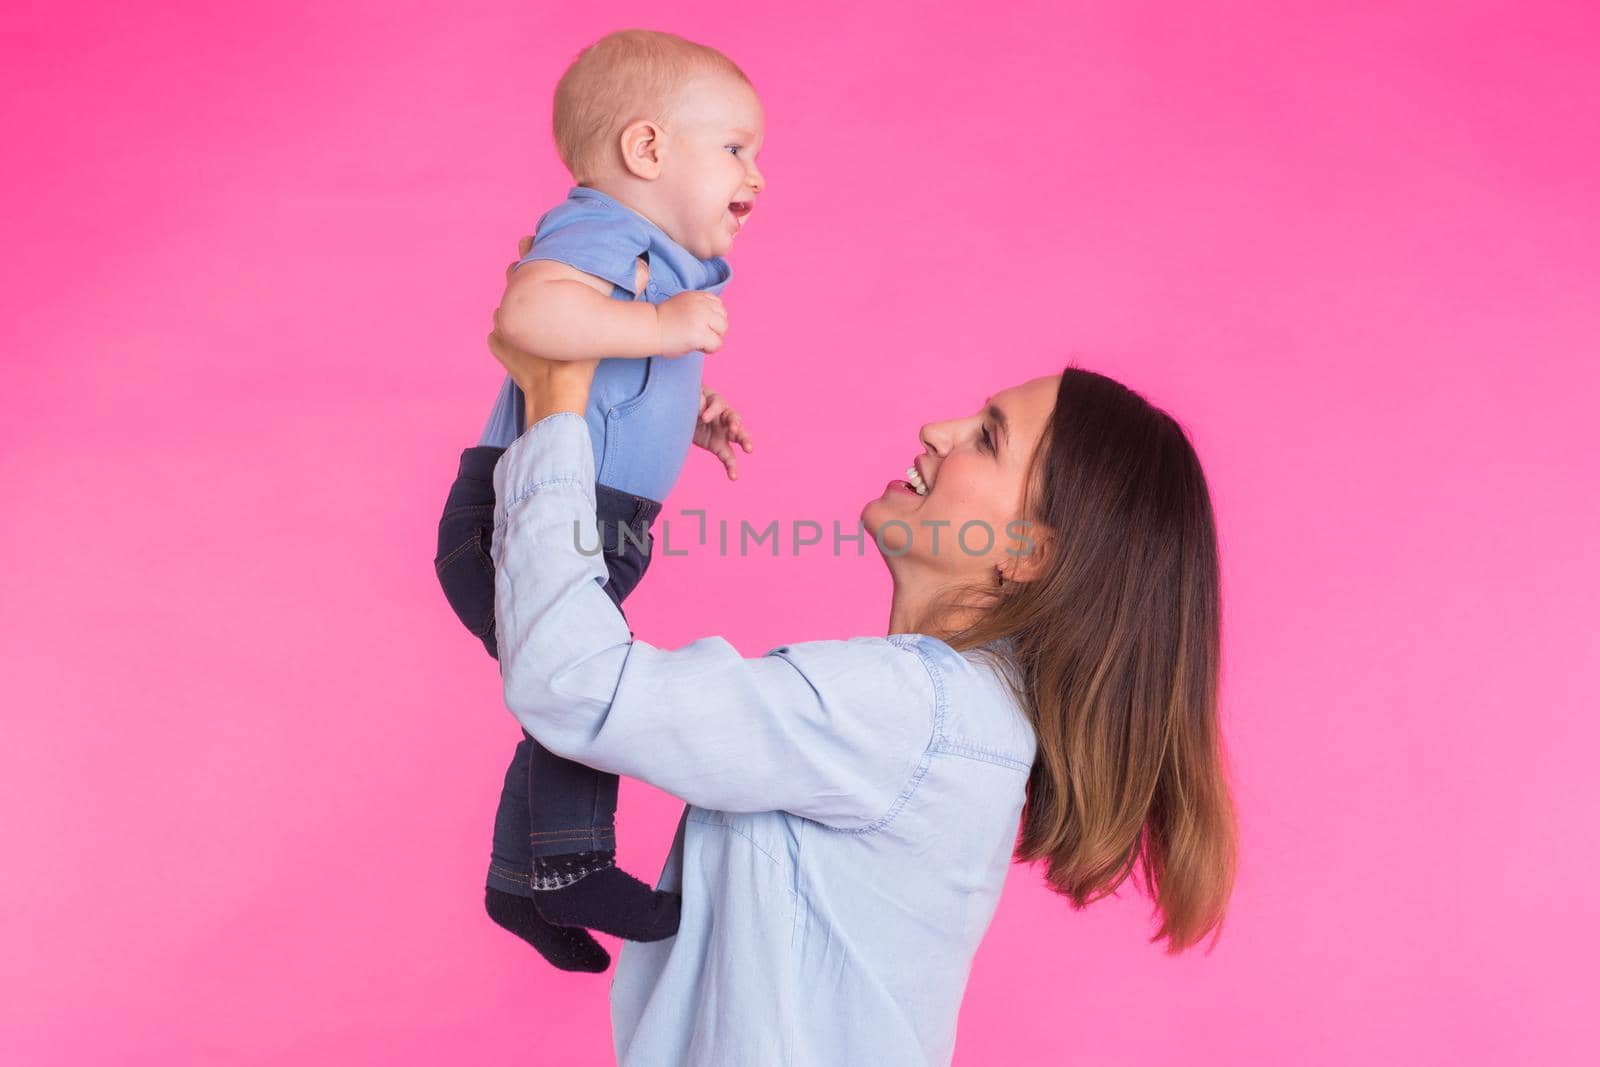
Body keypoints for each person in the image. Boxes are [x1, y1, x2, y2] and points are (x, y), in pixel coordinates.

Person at [481, 322, 1240, 1064]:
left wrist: (558, 413)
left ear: (1028, 553)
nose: (936, 430)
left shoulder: (917, 711)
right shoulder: (958, 722)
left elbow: (576, 683)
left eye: (987, 437)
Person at [432, 29, 764, 969]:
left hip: (597, 521)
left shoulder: (648, 254)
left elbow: (604, 358)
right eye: (736, 147)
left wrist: (684, 406)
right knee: (590, 688)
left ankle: (518, 876)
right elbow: (528, 317)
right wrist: (660, 324)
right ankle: (564, 862)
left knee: (570, 689)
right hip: (520, 519)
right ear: (647, 150)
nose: (759, 176)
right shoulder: (604, 226)